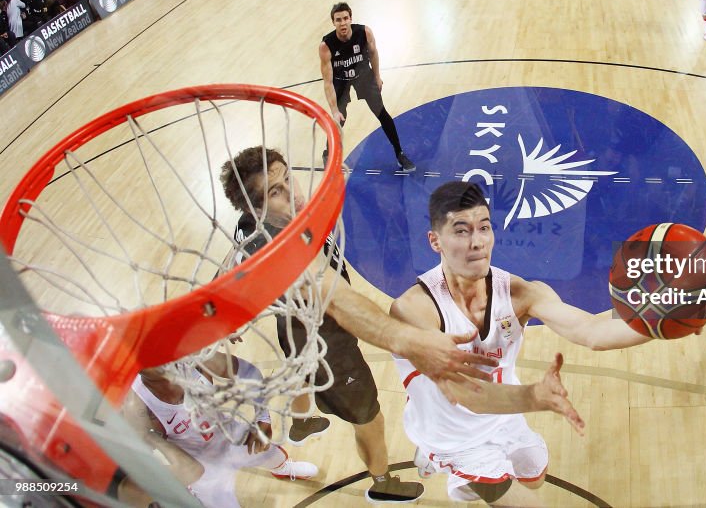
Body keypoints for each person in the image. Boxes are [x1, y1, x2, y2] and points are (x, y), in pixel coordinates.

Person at [220, 146, 499, 502]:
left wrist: (333, 153)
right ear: (255, 207)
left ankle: (303, 420)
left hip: (294, 326)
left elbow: (230, 265)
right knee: (370, 416)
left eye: (288, 178)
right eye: (275, 192)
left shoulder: (257, 224)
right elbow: (336, 299)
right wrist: (408, 339)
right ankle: (382, 484)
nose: (292, 193)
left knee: (298, 368)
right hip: (326, 339)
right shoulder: (279, 251)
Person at [390, 181, 653, 505]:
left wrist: (664, 319)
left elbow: (591, 331)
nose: (477, 243)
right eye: (461, 231)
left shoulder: (520, 293)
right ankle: (445, 460)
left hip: (502, 415)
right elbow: (464, 392)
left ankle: (462, 475)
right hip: (451, 432)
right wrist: (534, 396)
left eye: (484, 228)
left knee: (534, 477)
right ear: (435, 241)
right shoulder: (413, 310)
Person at [118, 352, 318, 508]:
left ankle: (282, 469)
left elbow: (249, 372)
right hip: (201, 464)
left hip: (230, 434)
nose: (163, 361)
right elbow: (143, 457)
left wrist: (262, 416)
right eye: (150, 359)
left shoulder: (196, 360)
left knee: (272, 453)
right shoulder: (137, 406)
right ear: (138, 367)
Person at [318, 2, 415, 172]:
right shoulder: (326, 45)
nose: (343, 23)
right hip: (340, 79)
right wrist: (334, 110)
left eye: (345, 18)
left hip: (363, 75)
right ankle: (328, 154)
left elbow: (373, 53)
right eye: (338, 20)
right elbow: (327, 81)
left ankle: (399, 153)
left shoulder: (364, 32)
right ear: (333, 22)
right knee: (339, 118)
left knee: (382, 113)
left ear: (351, 19)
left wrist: (377, 76)